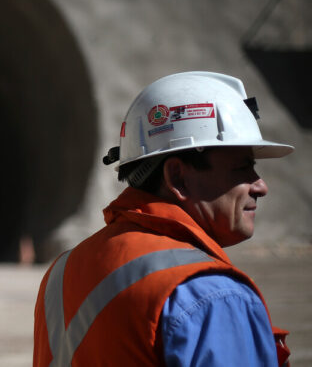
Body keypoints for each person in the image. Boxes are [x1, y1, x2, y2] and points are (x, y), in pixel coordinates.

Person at [34, 71, 293, 366]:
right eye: (242, 168)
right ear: (177, 177)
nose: (260, 186)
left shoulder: (62, 273)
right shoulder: (213, 295)